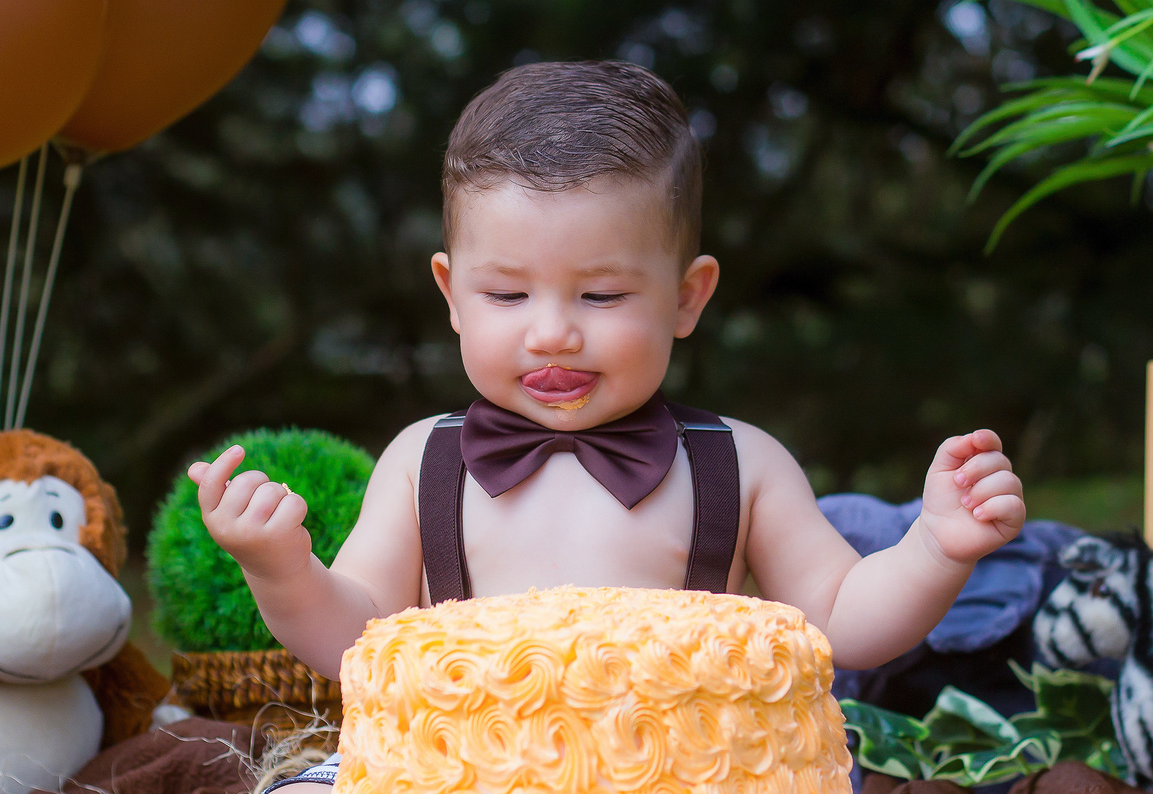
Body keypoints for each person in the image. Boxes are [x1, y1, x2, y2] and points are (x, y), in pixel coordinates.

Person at [188, 60, 1026, 791]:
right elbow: (354, 640)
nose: (553, 331)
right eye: (507, 295)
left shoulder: (739, 463)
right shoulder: (425, 461)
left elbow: (844, 620)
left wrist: (935, 547)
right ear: (451, 294)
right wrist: (281, 567)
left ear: (687, 297)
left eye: (601, 295)